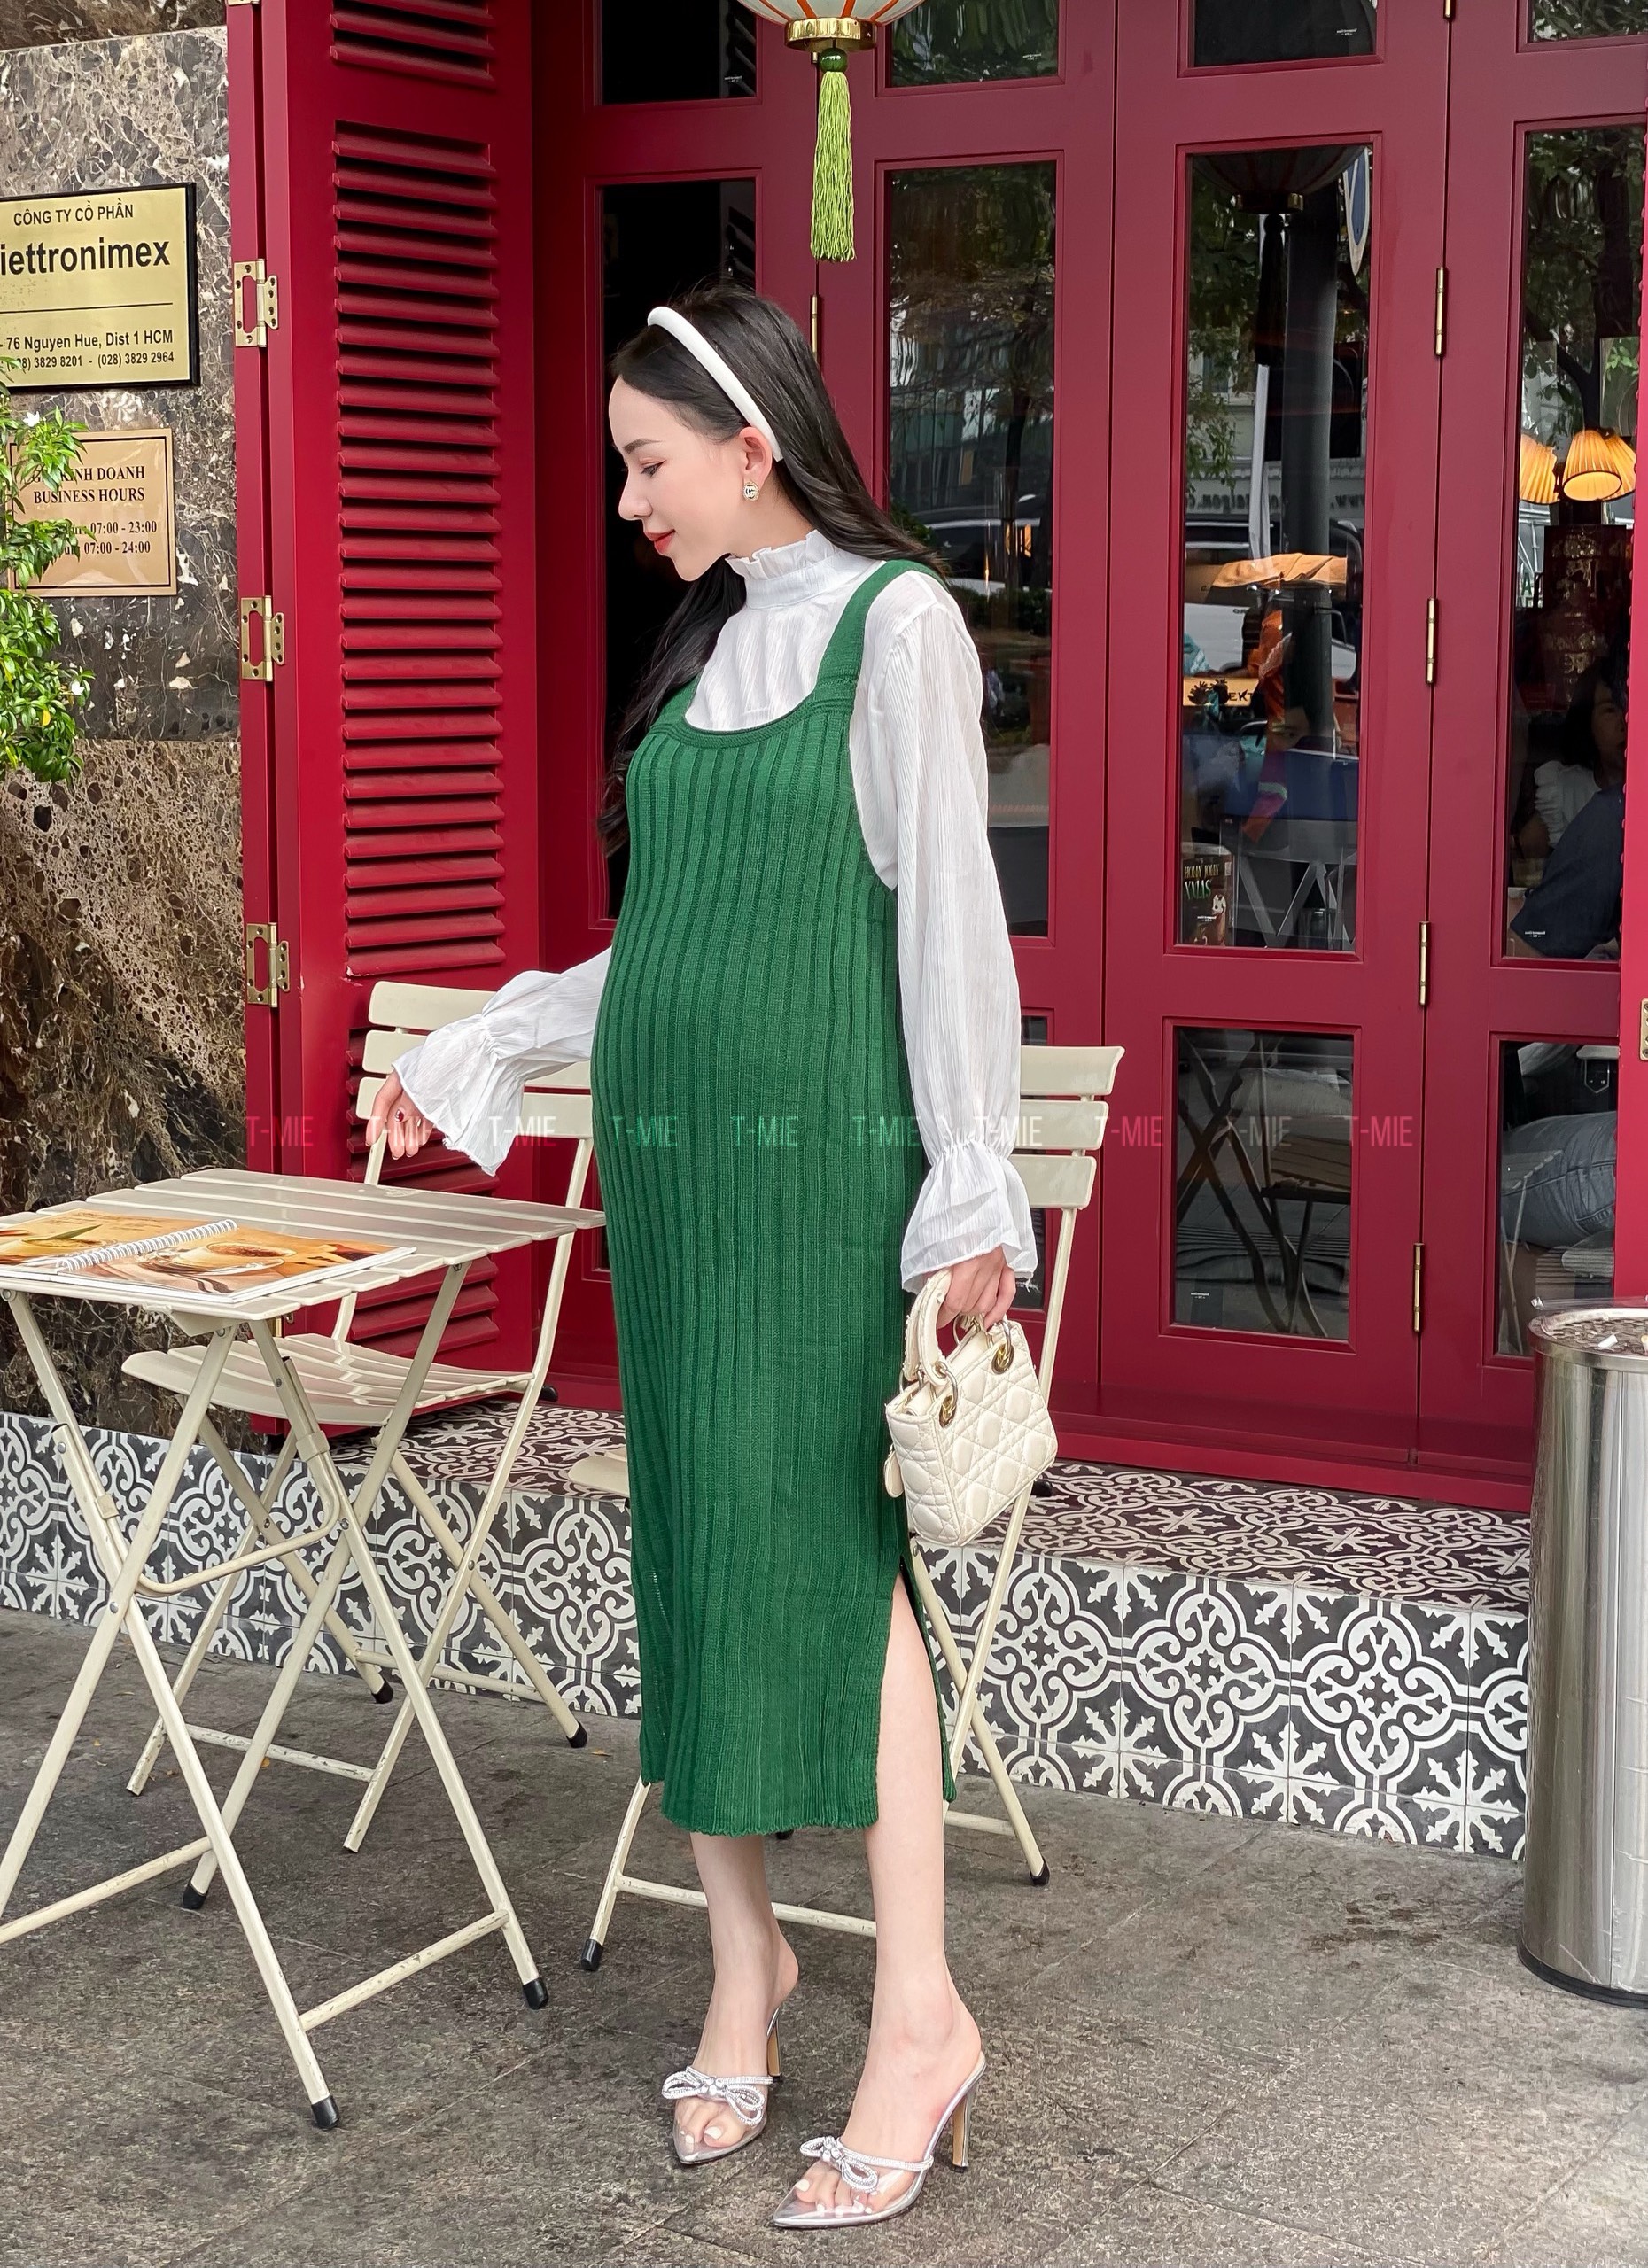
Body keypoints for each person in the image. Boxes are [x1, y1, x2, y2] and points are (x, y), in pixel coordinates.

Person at [366, 285, 1035, 2229]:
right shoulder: (720, 638)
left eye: (648, 464)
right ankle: (748, 1966)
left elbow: (949, 926)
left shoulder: (899, 627)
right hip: (674, 1190)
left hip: (826, 1189)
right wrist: (480, 1046)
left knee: (841, 1566)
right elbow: (663, 948)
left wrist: (971, 1190)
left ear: (753, 443)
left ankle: (921, 2015)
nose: (630, 503)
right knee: (692, 1541)